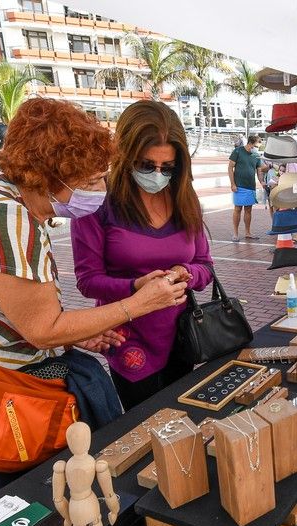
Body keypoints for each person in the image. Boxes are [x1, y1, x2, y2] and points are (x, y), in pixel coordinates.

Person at [0, 98, 186, 506]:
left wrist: (76, 334)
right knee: (4, 507)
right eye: (89, 180)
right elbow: (41, 328)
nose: (99, 191)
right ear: (52, 175)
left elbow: (15, 311)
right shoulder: (3, 216)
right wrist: (137, 304)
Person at [72, 100, 213, 410]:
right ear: (124, 155)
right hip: (127, 337)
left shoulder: (184, 198)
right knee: (146, 423)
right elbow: (88, 281)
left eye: (168, 167)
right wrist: (136, 287)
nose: (158, 175)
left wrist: (185, 273)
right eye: (147, 165)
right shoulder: (98, 203)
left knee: (183, 416)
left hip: (183, 333)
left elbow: (205, 267)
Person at [228, 134, 265, 241]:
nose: (257, 149)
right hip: (238, 186)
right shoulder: (238, 151)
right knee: (238, 209)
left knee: (248, 210)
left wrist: (262, 181)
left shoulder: (256, 155)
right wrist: (232, 184)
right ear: (251, 144)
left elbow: (259, 171)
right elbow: (230, 167)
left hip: (250, 186)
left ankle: (248, 232)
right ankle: (235, 233)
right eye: (257, 146)